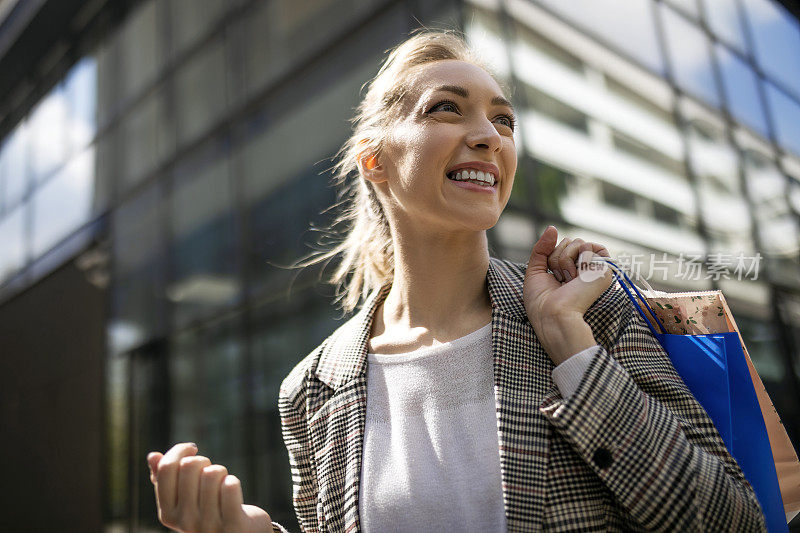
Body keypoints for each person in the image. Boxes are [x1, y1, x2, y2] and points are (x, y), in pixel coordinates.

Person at [147, 29, 767, 532]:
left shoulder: (589, 315)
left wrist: (569, 347)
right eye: (447, 109)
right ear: (375, 160)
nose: (488, 137)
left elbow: (731, 520)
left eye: (504, 121)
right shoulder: (312, 387)